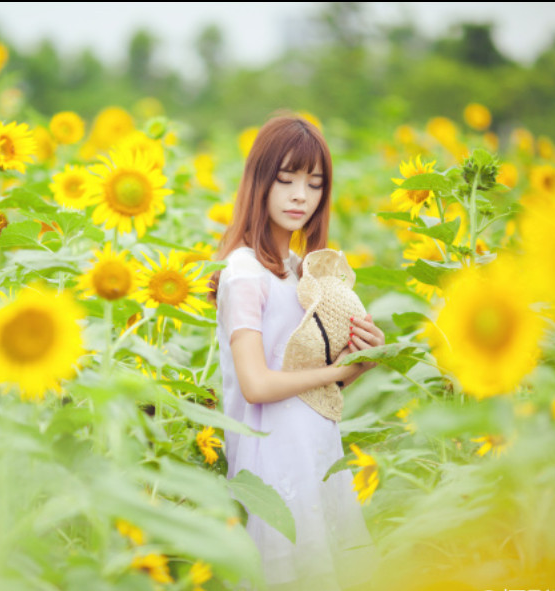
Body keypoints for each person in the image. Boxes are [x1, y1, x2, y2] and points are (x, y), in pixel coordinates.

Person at [209, 114, 383, 590]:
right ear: (259, 183)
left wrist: (362, 361)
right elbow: (258, 384)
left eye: (314, 183)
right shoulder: (244, 272)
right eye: (285, 180)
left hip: (316, 450)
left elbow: (320, 381)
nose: (300, 196)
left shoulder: (296, 271)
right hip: (273, 463)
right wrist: (337, 370)